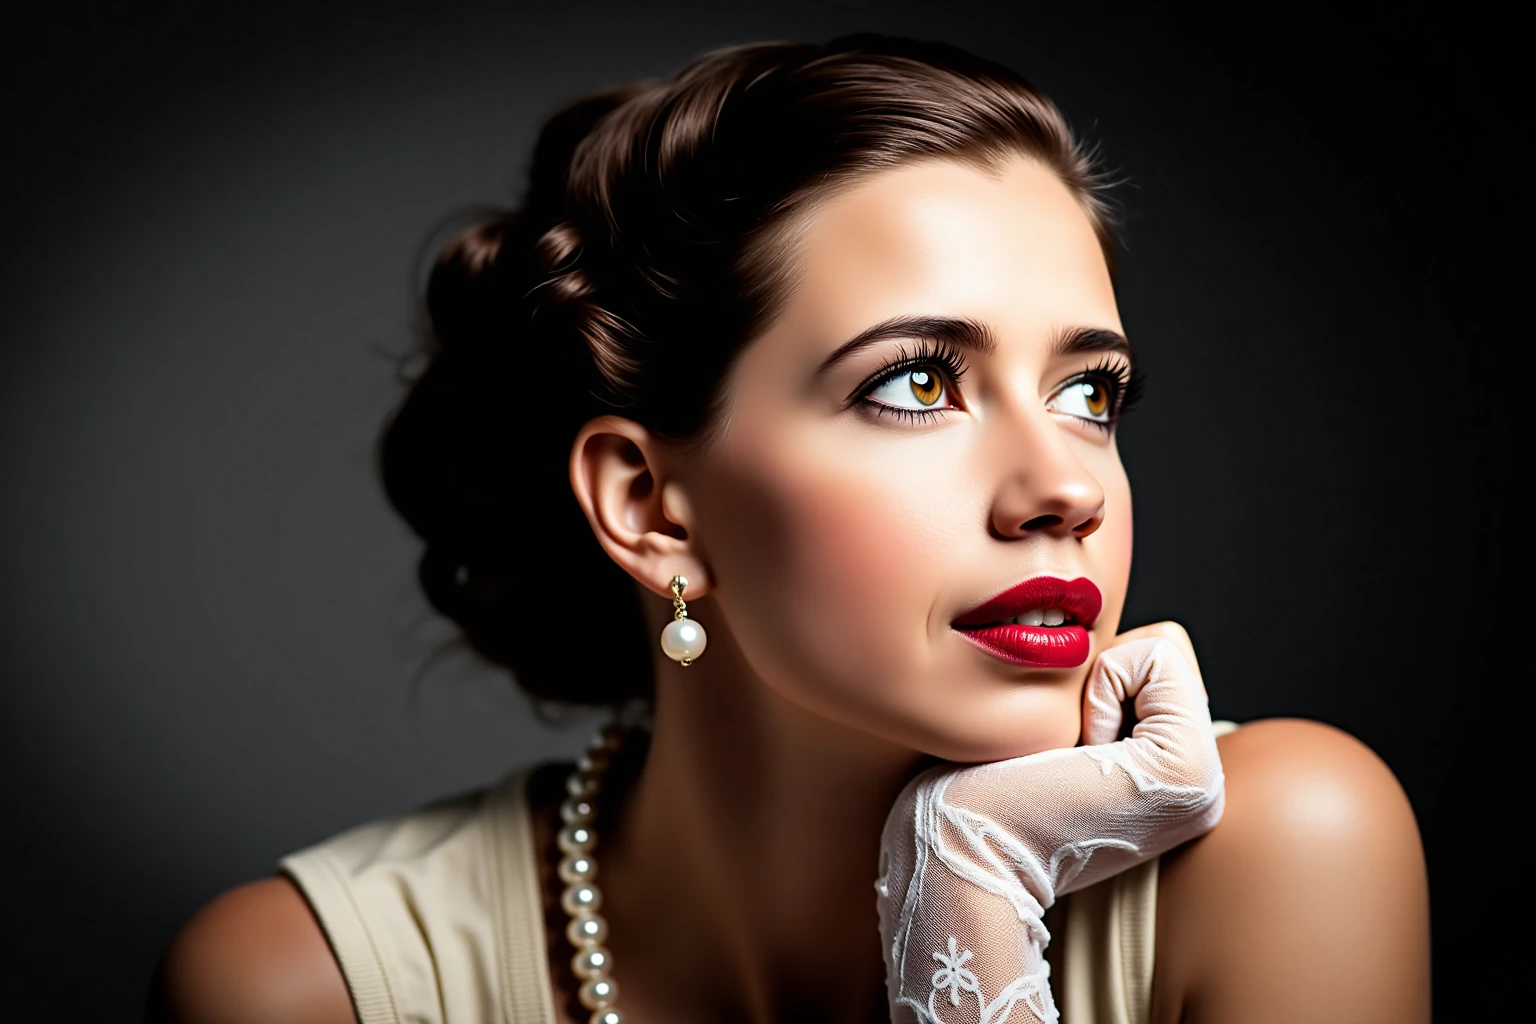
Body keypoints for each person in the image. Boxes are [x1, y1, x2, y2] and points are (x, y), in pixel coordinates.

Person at [147, 32, 1431, 1024]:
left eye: (1090, 392)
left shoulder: (1285, 849)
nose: (1069, 488)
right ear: (651, 507)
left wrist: (966, 887)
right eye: (919, 383)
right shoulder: (302, 987)